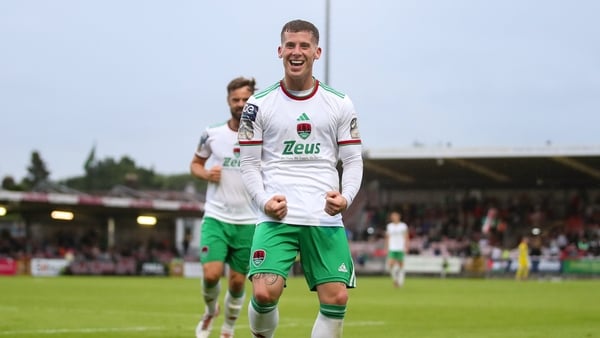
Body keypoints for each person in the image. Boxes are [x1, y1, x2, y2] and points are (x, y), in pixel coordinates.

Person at [238, 19, 363, 338]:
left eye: (304, 46)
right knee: (264, 293)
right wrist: (264, 202)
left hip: (323, 217)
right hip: (276, 216)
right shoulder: (257, 105)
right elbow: (249, 164)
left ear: (317, 52)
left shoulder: (339, 102)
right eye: (290, 45)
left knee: (337, 298)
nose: (297, 52)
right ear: (280, 51)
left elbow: (352, 160)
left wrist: (345, 197)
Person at [190, 76, 258, 338]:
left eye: (245, 99)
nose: (240, 104)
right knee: (211, 274)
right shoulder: (212, 134)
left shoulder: (263, 136)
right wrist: (206, 174)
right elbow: (195, 164)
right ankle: (210, 312)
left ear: (253, 102)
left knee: (238, 281)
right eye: (235, 100)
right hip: (217, 216)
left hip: (248, 220)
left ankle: (228, 329)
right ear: (228, 101)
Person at [384, 211, 409, 287]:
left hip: (400, 247)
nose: (394, 217)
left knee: (401, 264)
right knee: (390, 264)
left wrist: (407, 246)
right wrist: (386, 247)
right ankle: (395, 279)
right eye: (392, 216)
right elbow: (387, 237)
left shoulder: (403, 226)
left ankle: (400, 281)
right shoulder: (389, 226)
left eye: (395, 216)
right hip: (392, 247)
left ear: (399, 217)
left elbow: (406, 237)